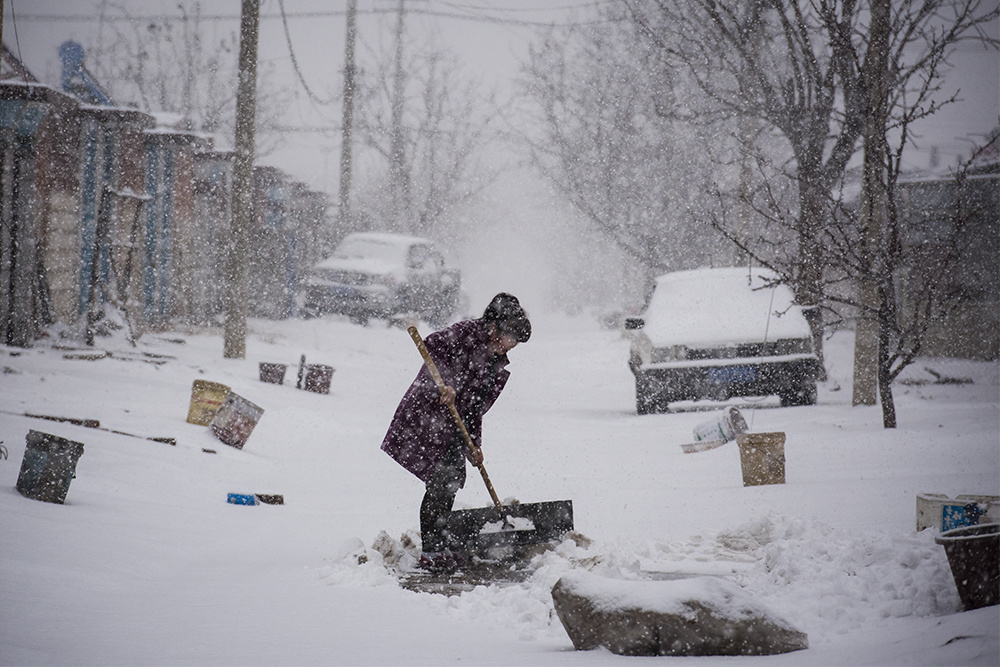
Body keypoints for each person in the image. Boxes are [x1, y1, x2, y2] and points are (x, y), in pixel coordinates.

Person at [380, 293, 531, 572]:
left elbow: (474, 408)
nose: (512, 347)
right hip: (430, 415)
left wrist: (474, 444)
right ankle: (432, 551)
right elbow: (433, 346)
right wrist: (446, 384)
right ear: (494, 328)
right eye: (511, 338)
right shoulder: (466, 334)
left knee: (451, 481)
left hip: (452, 424)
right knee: (441, 481)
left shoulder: (496, 363)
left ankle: (438, 545)